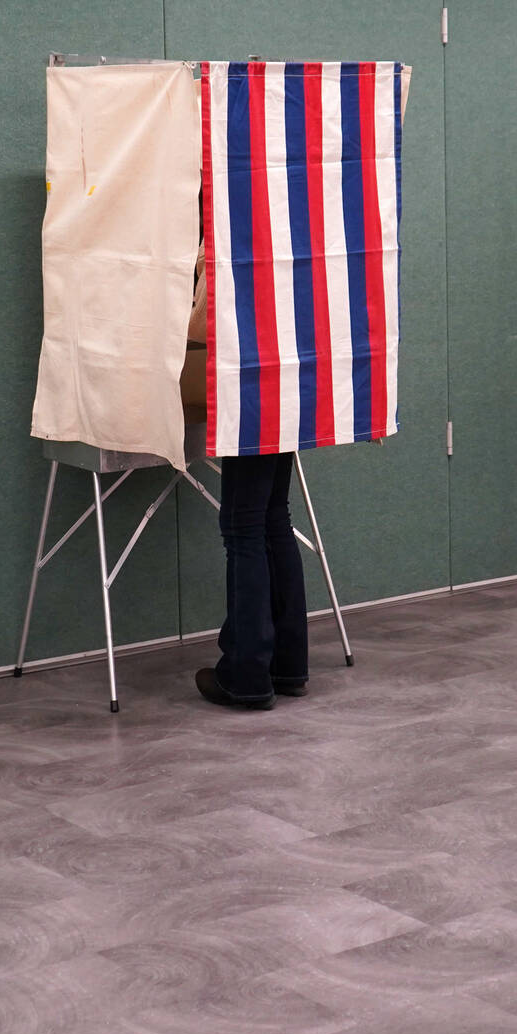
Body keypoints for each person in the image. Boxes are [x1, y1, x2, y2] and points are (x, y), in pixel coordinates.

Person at [182, 267, 308, 710]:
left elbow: (203, 319)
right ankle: (289, 665)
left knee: (244, 525)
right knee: (275, 516)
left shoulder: (233, 220)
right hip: (294, 364)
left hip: (251, 371)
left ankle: (247, 672)